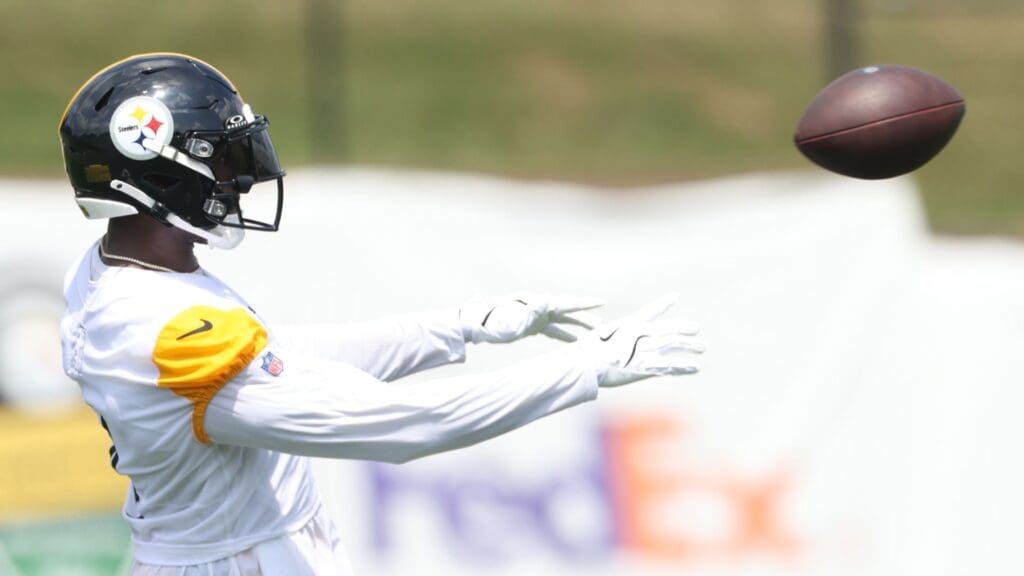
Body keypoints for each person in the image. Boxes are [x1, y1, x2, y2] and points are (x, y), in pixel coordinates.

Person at [58, 53, 705, 575]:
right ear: (155, 170)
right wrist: (584, 368)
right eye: (221, 158)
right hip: (235, 561)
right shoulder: (162, 334)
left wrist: (456, 328)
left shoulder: (118, 277)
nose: (241, 179)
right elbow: (406, 427)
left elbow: (280, 358)